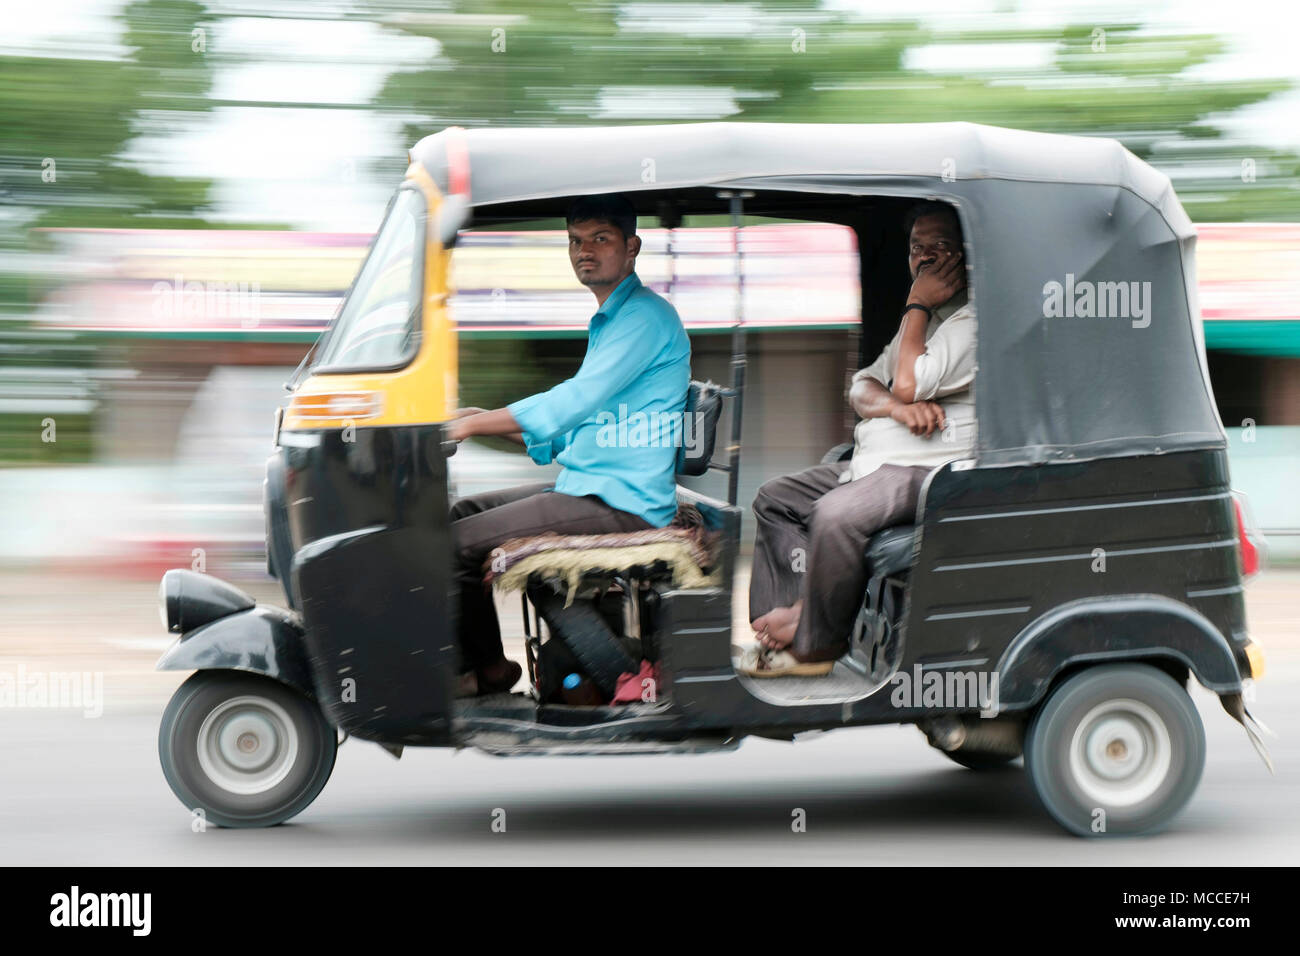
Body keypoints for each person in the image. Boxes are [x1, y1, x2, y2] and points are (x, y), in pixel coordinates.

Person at [446, 194, 691, 696]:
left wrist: (472, 427)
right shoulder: (612, 321)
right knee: (458, 514)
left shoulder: (644, 317)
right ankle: (491, 666)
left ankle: (484, 670)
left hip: (623, 502)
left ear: (632, 247)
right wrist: (477, 418)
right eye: (576, 241)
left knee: (448, 548)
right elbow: (564, 431)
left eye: (600, 239)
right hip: (589, 487)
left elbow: (573, 401)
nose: (585, 251)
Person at [741, 200, 975, 677]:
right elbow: (863, 387)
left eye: (940, 246)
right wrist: (896, 407)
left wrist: (916, 303)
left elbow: (907, 380)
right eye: (916, 248)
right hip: (874, 461)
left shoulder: (972, 321)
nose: (925, 257)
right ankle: (789, 621)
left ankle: (814, 648)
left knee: (836, 514)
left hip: (930, 469)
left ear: (963, 256)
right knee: (775, 499)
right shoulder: (924, 322)